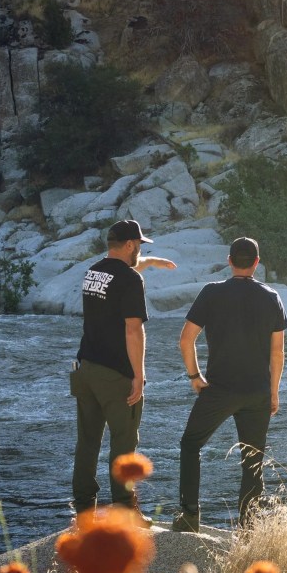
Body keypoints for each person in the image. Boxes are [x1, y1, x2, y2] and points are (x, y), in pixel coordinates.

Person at [176, 236, 287, 530]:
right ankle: (248, 529)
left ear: (228, 261)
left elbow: (186, 340)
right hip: (257, 392)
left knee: (190, 445)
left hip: (219, 389)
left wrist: (194, 376)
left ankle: (189, 516)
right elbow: (278, 353)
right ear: (256, 263)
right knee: (253, 462)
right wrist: (273, 392)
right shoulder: (271, 296)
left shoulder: (211, 292)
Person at [70, 219, 175, 515]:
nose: (139, 250)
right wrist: (139, 376)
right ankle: (125, 510)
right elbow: (133, 329)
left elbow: (119, 279)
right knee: (124, 441)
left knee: (88, 442)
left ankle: (83, 509)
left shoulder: (94, 272)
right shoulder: (130, 279)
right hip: (114, 373)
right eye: (139, 246)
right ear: (129, 245)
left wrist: (150, 262)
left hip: (84, 368)